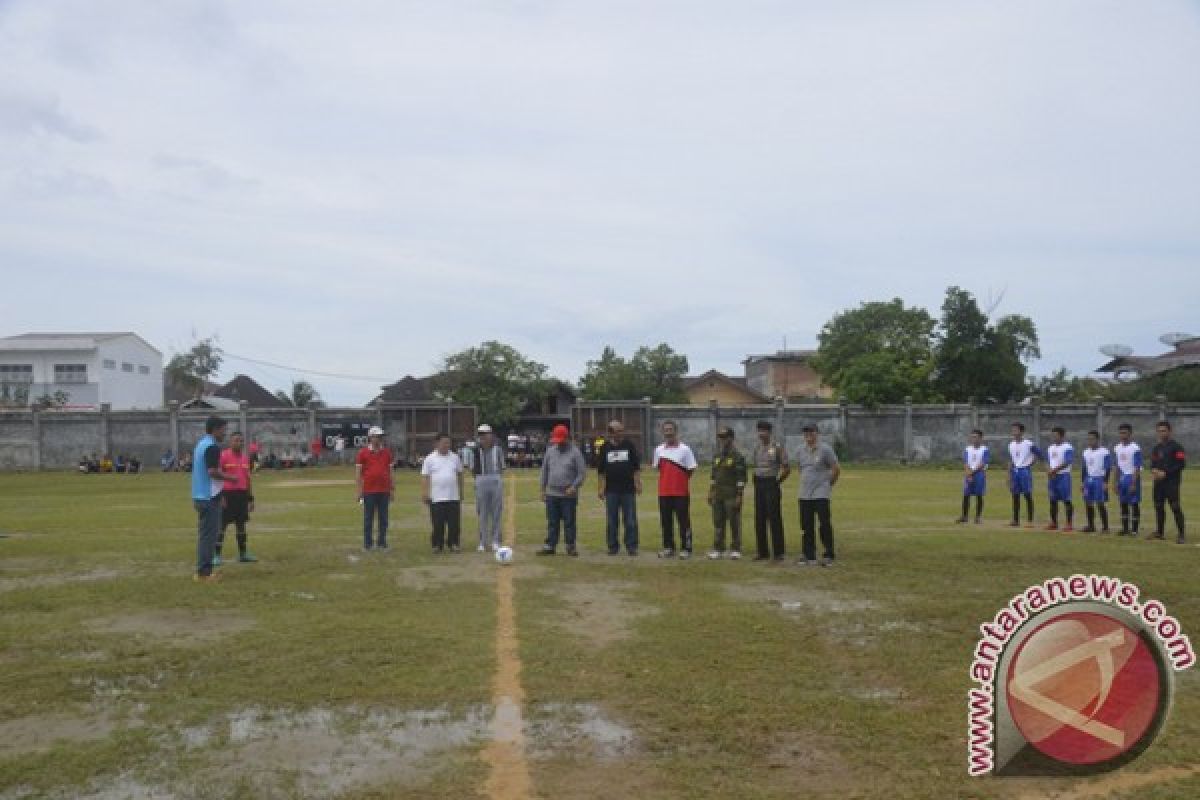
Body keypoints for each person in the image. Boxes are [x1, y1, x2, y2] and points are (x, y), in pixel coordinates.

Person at [191, 416, 235, 583]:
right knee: (209, 536)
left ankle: (204, 570)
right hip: (207, 497)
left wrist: (220, 495)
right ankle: (204, 573)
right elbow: (212, 472)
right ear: (215, 429)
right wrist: (231, 478)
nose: (225, 433)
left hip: (201, 495)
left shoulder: (201, 444)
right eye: (224, 429)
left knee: (206, 535)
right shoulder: (212, 447)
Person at [538, 424, 587, 556]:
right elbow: (544, 471)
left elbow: (581, 473)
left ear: (567, 438)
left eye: (561, 440)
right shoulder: (550, 451)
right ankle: (550, 545)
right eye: (556, 441)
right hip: (552, 493)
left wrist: (574, 486)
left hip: (568, 494)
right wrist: (542, 489)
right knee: (552, 521)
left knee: (569, 522)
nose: (558, 443)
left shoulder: (576, 453)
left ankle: (570, 546)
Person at [795, 423, 840, 567]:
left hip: (820, 493)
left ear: (817, 433)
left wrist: (827, 485)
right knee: (806, 525)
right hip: (804, 494)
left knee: (824, 524)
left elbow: (835, 468)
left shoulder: (825, 449)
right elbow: (800, 469)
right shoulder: (800, 450)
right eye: (806, 432)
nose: (808, 435)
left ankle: (828, 554)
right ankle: (809, 554)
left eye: (811, 432)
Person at [653, 420, 697, 559]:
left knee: (683, 521)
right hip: (664, 492)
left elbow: (691, 468)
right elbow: (658, 468)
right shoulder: (659, 450)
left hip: (680, 493)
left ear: (676, 431)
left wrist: (681, 481)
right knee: (666, 522)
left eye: (671, 429)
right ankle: (668, 547)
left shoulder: (685, 449)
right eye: (666, 430)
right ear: (662, 432)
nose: (668, 432)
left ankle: (686, 548)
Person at [597, 419, 641, 556]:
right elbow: (601, 471)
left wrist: (638, 483)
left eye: (622, 430)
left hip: (628, 489)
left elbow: (636, 467)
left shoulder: (629, 445)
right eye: (618, 431)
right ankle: (612, 546)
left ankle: (631, 546)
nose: (621, 433)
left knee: (630, 520)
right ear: (611, 433)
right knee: (611, 520)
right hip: (611, 491)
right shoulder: (604, 447)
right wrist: (601, 488)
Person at [216, 431, 258, 564]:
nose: (239, 443)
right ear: (230, 442)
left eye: (241, 441)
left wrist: (250, 499)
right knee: (221, 525)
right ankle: (216, 555)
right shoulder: (223, 456)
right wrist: (220, 496)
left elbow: (248, 479)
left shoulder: (245, 458)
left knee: (241, 525)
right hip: (227, 495)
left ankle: (243, 553)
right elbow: (217, 478)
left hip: (241, 496)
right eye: (236, 440)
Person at [751, 420, 790, 561]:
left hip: (771, 483)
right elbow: (756, 466)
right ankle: (762, 551)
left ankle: (778, 552)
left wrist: (778, 482)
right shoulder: (757, 448)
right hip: (759, 484)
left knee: (774, 518)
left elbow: (786, 468)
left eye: (764, 431)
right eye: (759, 431)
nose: (761, 434)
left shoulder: (777, 447)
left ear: (769, 432)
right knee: (759, 518)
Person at [707, 426, 748, 559]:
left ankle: (736, 548)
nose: (722, 440)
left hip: (731, 494)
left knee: (734, 522)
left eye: (725, 437)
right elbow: (713, 475)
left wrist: (739, 495)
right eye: (720, 437)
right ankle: (718, 548)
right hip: (718, 494)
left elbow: (741, 478)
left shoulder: (737, 456)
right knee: (718, 522)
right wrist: (710, 492)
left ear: (731, 438)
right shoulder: (717, 455)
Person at [464, 424, 505, 552]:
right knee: (482, 513)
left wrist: (496, 479)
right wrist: (478, 481)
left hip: (495, 478)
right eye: (481, 434)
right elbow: (471, 468)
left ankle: (496, 541)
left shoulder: (498, 449)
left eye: (486, 434)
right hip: (480, 479)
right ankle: (482, 541)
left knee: (496, 512)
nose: (483, 437)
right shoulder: (474, 451)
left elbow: (501, 466)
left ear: (491, 435)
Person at [422, 432, 464, 553]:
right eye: (444, 442)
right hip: (436, 497)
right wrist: (425, 493)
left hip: (453, 496)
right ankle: (437, 545)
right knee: (437, 524)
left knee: (454, 524)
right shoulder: (430, 458)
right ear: (436, 443)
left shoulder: (455, 457)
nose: (446, 445)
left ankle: (454, 543)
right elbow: (425, 476)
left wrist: (461, 491)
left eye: (448, 443)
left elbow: (460, 474)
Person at [355, 426, 394, 551]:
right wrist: (359, 491)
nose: (379, 439)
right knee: (368, 519)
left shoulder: (387, 452)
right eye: (376, 436)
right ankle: (368, 544)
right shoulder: (363, 453)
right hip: (369, 490)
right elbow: (358, 473)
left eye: (380, 436)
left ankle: (382, 543)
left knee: (383, 519)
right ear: (370, 437)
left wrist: (392, 489)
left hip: (384, 490)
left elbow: (390, 472)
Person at [1149, 420, 1186, 543]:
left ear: (1170, 431)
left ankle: (1181, 534)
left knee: (1175, 507)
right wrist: (1154, 471)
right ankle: (1160, 532)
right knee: (1158, 506)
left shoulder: (1177, 447)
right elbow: (1153, 463)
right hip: (1159, 483)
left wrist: (1166, 473)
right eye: (1159, 431)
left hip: (1172, 482)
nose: (1161, 433)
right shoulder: (1157, 448)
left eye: (1163, 430)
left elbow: (1181, 464)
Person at [1112, 423, 1143, 536]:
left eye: (1124, 433)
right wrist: (1115, 482)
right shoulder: (1117, 448)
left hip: (1132, 477)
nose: (1122, 435)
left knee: (1134, 504)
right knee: (1123, 503)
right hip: (1122, 478)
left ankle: (1134, 530)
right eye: (1120, 433)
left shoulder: (1135, 448)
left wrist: (1134, 483)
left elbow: (1137, 467)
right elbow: (1117, 466)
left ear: (1130, 433)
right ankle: (1125, 528)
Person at [1007, 423, 1040, 528]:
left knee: (1027, 495)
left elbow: (1039, 454)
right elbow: (1012, 460)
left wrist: (1030, 463)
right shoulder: (1011, 445)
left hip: (1024, 471)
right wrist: (1009, 474)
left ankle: (1030, 520)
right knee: (1015, 496)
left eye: (1016, 430)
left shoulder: (1028, 444)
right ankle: (1015, 520)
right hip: (1015, 471)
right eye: (1012, 430)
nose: (1014, 432)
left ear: (1021, 432)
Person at [1080, 430, 1112, 534]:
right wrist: (1082, 482)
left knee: (1100, 503)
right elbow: (1084, 468)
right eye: (1088, 439)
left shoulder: (1104, 452)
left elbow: (1108, 468)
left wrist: (1105, 482)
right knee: (1088, 502)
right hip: (1089, 479)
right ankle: (1091, 525)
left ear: (1097, 439)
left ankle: (1105, 527)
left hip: (1099, 479)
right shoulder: (1086, 452)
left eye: (1092, 439)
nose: (1090, 441)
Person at [1045, 427, 1075, 532]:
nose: (1054, 437)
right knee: (1052, 500)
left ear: (1062, 436)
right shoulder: (1050, 448)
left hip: (1063, 476)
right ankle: (1054, 522)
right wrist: (1049, 470)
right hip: (1053, 477)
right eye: (1053, 435)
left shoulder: (1067, 447)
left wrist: (1055, 470)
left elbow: (1068, 461)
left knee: (1066, 500)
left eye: (1056, 435)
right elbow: (1048, 461)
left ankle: (1069, 523)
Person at [957, 429, 989, 524]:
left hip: (979, 474)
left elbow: (983, 463)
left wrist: (972, 473)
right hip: (969, 473)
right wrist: (968, 473)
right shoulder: (968, 449)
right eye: (972, 437)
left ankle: (978, 517)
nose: (973, 439)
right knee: (966, 495)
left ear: (980, 438)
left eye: (975, 437)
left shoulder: (985, 449)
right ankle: (964, 516)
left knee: (979, 495)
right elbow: (966, 462)